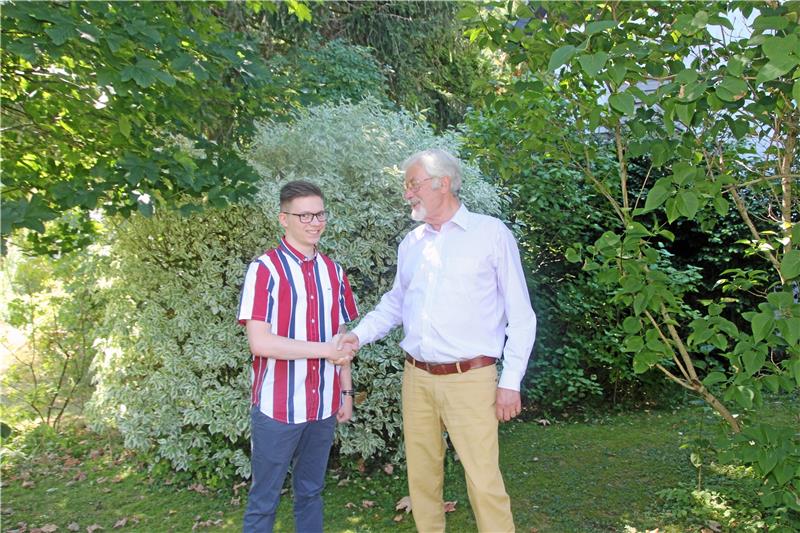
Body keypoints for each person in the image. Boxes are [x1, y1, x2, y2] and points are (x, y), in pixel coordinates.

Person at [337, 149, 537, 532]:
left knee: (483, 481)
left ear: (442, 183)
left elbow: (522, 316)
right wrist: (357, 337)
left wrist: (510, 382)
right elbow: (395, 303)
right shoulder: (412, 243)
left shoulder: (490, 234)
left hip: (471, 378)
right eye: (406, 185)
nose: (406, 193)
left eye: (412, 184)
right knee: (422, 479)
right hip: (417, 378)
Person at [238, 180, 359, 533]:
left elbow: (341, 340)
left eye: (319, 213)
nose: (314, 222)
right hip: (278, 408)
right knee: (264, 500)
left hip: (323, 405)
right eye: (304, 215)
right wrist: (325, 350)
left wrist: (346, 392)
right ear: (283, 219)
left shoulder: (334, 272)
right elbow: (260, 343)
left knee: (311, 492)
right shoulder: (264, 270)